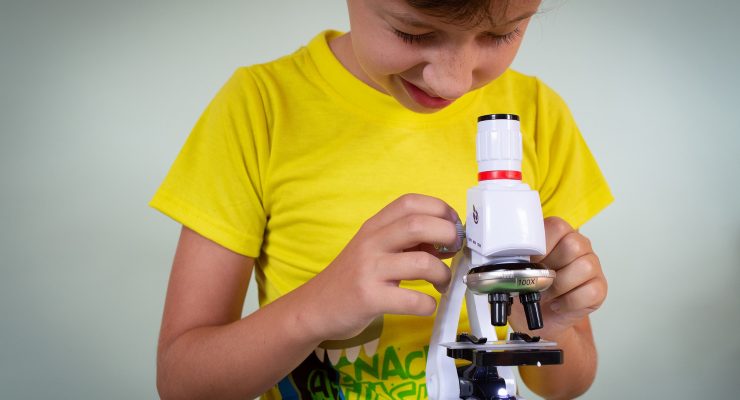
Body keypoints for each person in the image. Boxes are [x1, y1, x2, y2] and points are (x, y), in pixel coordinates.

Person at [151, 0, 613, 399]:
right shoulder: (260, 108)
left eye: (501, 34)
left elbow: (567, 384)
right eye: (414, 32)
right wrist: (315, 310)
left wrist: (544, 323)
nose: (452, 82)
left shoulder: (538, 116)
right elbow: (182, 383)